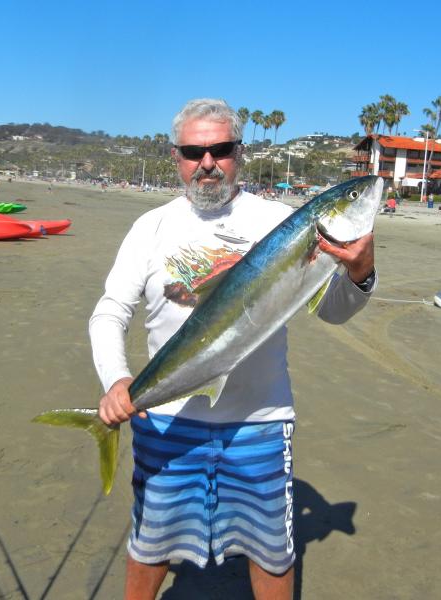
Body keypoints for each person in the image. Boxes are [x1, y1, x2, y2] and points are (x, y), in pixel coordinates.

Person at [89, 98, 376, 599]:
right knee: (151, 544)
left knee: (271, 552)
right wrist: (117, 379)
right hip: (167, 417)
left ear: (238, 153)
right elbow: (110, 310)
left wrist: (359, 272)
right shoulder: (150, 227)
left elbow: (331, 310)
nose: (207, 163)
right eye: (193, 151)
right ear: (176, 156)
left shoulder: (279, 220)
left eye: (220, 149)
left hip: (260, 421)